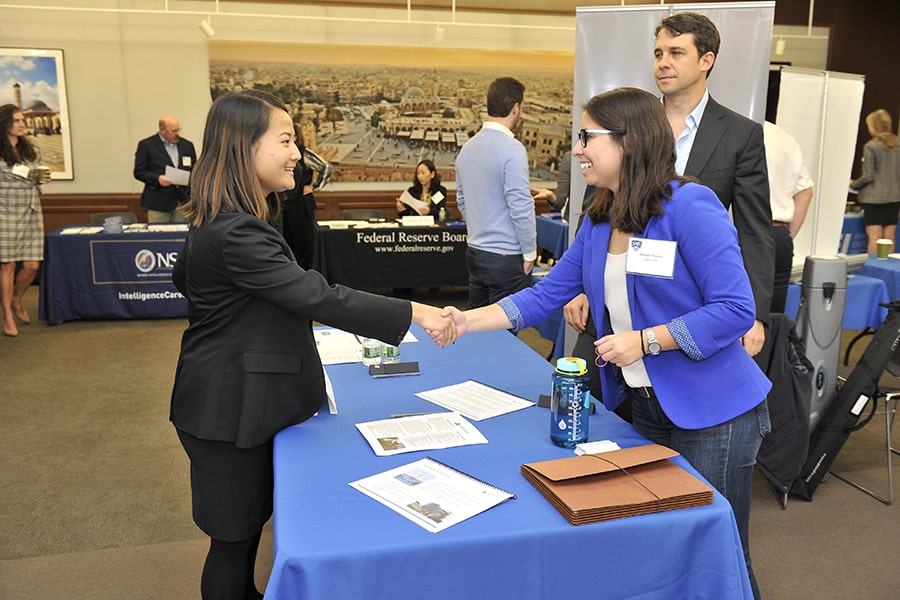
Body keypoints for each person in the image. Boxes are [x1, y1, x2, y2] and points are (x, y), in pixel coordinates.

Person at [442, 88, 771, 600]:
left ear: (629, 141)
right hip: (641, 407)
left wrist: (645, 341)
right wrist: (464, 321)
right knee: (660, 545)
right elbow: (544, 297)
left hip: (714, 413)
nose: (577, 149)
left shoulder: (690, 206)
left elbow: (734, 310)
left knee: (716, 553)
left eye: (587, 137)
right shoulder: (600, 219)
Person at [169, 89, 454, 600]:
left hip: (230, 398)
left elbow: (185, 280)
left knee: (245, 534)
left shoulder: (223, 219)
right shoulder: (235, 232)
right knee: (233, 545)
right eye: (285, 140)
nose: (297, 153)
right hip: (226, 408)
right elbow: (316, 294)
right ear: (243, 148)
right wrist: (412, 310)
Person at [564, 11, 773, 419]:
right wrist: (581, 284)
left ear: (706, 60)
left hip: (687, 307)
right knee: (605, 430)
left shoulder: (740, 134)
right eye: (659, 52)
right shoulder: (626, 123)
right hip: (616, 306)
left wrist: (755, 314)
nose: (663, 62)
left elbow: (753, 230)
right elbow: (597, 208)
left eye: (676, 52)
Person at [455, 76, 554, 309]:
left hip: (475, 252)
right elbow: (520, 206)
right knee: (505, 332)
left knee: (477, 327)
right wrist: (530, 252)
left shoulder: (467, 147)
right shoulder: (513, 149)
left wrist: (483, 225)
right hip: (506, 257)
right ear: (516, 108)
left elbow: (462, 201)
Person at [0, 104, 50, 338]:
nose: (22, 124)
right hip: (5, 212)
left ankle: (15, 299)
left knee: (32, 265)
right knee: (8, 265)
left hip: (30, 210)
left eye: (23, 120)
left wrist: (42, 178)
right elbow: (10, 174)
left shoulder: (31, 149)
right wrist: (29, 175)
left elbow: (33, 175)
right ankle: (7, 315)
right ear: (5, 123)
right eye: (17, 120)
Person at [764, 121, 814, 313]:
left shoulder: (731, 129)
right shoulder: (783, 137)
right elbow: (805, 191)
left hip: (740, 235)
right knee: (773, 319)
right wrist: (786, 234)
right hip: (778, 235)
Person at [279, 121, 332, 270]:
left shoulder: (303, 153)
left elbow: (326, 167)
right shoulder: (278, 155)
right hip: (281, 208)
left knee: (302, 249)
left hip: (301, 207)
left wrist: (314, 187)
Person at [850, 108, 900, 254]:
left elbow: (867, 176)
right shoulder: (898, 144)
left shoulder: (871, 146)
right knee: (889, 238)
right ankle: (887, 268)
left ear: (873, 126)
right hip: (894, 198)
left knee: (874, 238)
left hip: (874, 199)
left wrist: (852, 184)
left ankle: (874, 269)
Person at [133, 115, 197, 222]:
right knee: (158, 235)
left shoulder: (187, 145)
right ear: (162, 130)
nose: (177, 133)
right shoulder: (147, 145)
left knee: (182, 235)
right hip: (158, 202)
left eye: (178, 129)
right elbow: (139, 172)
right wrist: (157, 179)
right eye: (173, 131)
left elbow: (194, 168)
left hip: (182, 202)